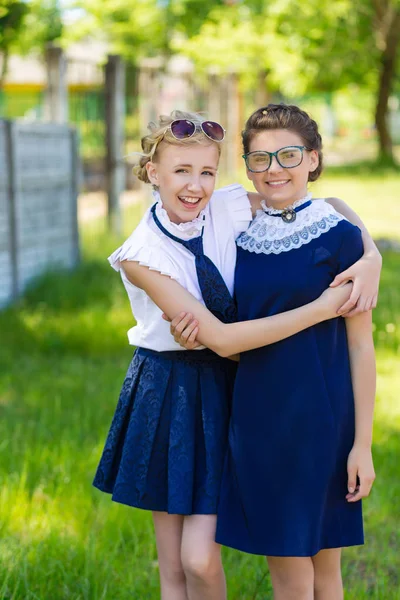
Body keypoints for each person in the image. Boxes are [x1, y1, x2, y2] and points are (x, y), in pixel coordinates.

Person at [93, 109, 380, 600]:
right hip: (181, 390)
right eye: (181, 171)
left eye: (207, 171)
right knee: (190, 564)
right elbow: (223, 339)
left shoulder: (229, 210)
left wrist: (370, 256)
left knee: (308, 565)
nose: (195, 185)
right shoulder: (143, 253)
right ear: (152, 173)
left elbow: (323, 206)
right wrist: (322, 308)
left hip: (271, 391)